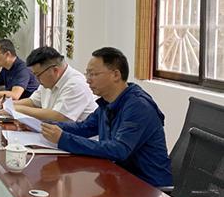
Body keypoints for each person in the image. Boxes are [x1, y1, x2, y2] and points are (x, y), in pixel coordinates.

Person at [40, 47, 172, 187]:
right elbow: (84, 127)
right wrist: (48, 125)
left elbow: (118, 150)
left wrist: (63, 138)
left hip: (147, 187)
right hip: (118, 178)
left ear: (115, 75)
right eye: (87, 74)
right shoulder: (108, 101)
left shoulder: (138, 106)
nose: (88, 80)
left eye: (93, 74)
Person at [0, 46, 97, 122]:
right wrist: (9, 104)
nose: (37, 79)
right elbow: (33, 102)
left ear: (55, 70)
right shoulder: (48, 81)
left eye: (38, 75)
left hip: (77, 139)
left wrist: (17, 109)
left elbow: (58, 116)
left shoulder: (75, 84)